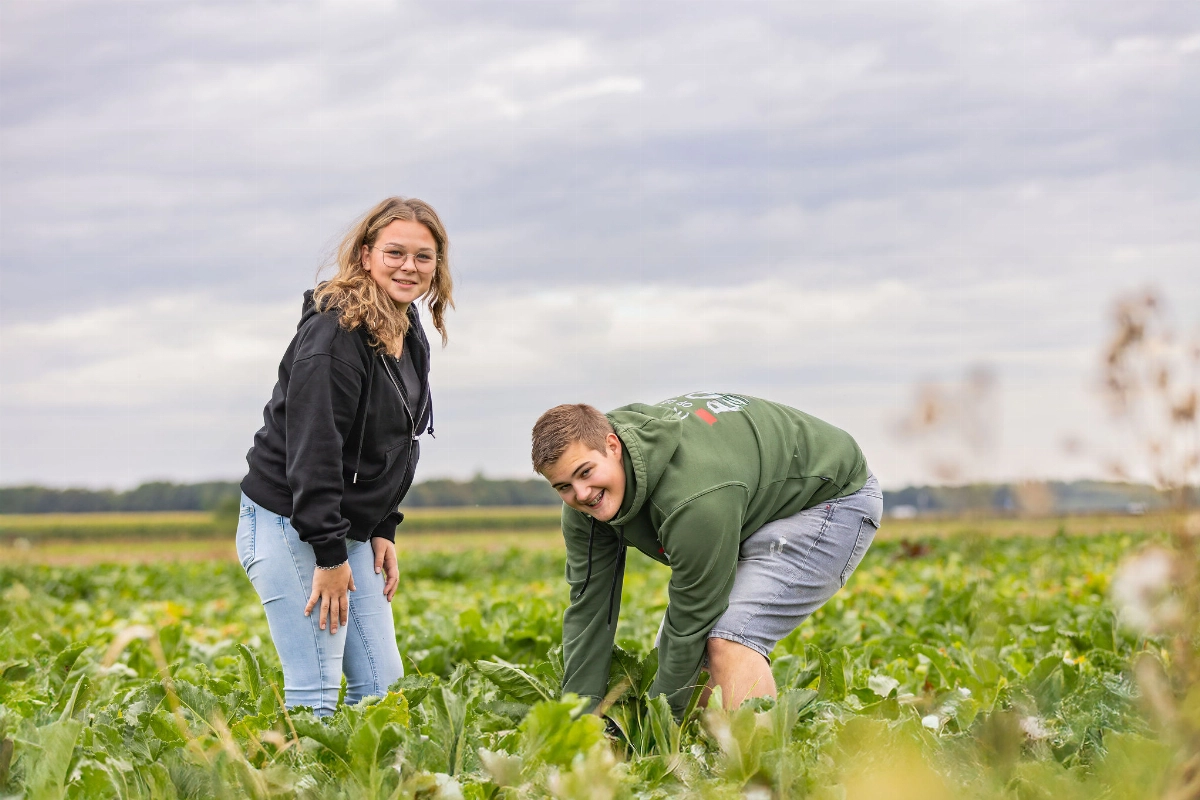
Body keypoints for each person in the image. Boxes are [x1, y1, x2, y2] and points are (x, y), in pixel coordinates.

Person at [531, 392, 882, 718]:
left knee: (727, 639)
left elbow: (690, 622)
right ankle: (705, 762)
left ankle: (764, 770)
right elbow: (589, 610)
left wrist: (657, 732)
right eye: (563, 486)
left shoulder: (692, 501)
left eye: (586, 473)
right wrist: (580, 720)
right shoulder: (584, 509)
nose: (581, 493)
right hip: (748, 500)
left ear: (612, 446)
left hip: (830, 497)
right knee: (678, 659)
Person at [236, 197, 453, 716]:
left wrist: (383, 527)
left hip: (346, 527)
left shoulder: (405, 328)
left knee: (383, 689)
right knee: (315, 692)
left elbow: (395, 441)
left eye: (424, 257)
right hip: (294, 523)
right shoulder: (335, 335)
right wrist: (330, 556)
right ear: (365, 254)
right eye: (395, 252)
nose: (409, 267)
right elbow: (315, 452)